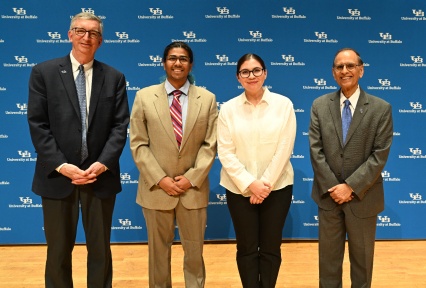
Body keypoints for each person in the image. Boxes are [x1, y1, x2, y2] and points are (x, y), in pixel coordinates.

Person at [27, 12, 129, 288]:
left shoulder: (115, 77)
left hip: (100, 176)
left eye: (94, 33)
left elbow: (120, 127)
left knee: (100, 251)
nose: (87, 37)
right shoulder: (43, 72)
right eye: (80, 31)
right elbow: (38, 124)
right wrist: (62, 165)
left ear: (101, 40)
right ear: (69, 35)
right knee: (58, 251)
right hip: (58, 176)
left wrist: (103, 163)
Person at [129, 41, 218, 288]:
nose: (177, 62)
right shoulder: (144, 97)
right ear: (163, 62)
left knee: (194, 254)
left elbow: (210, 145)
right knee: (158, 254)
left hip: (193, 189)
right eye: (172, 58)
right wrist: (161, 179)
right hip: (156, 189)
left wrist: (191, 178)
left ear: (191, 64)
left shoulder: (208, 99)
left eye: (183, 58)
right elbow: (138, 144)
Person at [309, 48, 393, 288]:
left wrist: (351, 187)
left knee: (362, 265)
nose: (344, 71)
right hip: (329, 197)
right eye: (339, 67)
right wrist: (335, 188)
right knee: (328, 265)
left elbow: (379, 155)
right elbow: (316, 151)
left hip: (363, 198)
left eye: (350, 66)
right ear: (333, 73)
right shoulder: (319, 105)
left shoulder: (381, 108)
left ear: (361, 70)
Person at [217, 53, 296, 288]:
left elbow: (285, 148)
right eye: (245, 72)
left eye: (256, 70)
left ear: (265, 73)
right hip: (239, 189)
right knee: (247, 247)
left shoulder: (284, 105)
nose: (251, 76)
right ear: (238, 77)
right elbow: (225, 152)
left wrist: (264, 185)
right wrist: (251, 184)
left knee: (271, 247)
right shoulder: (228, 109)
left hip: (277, 187)